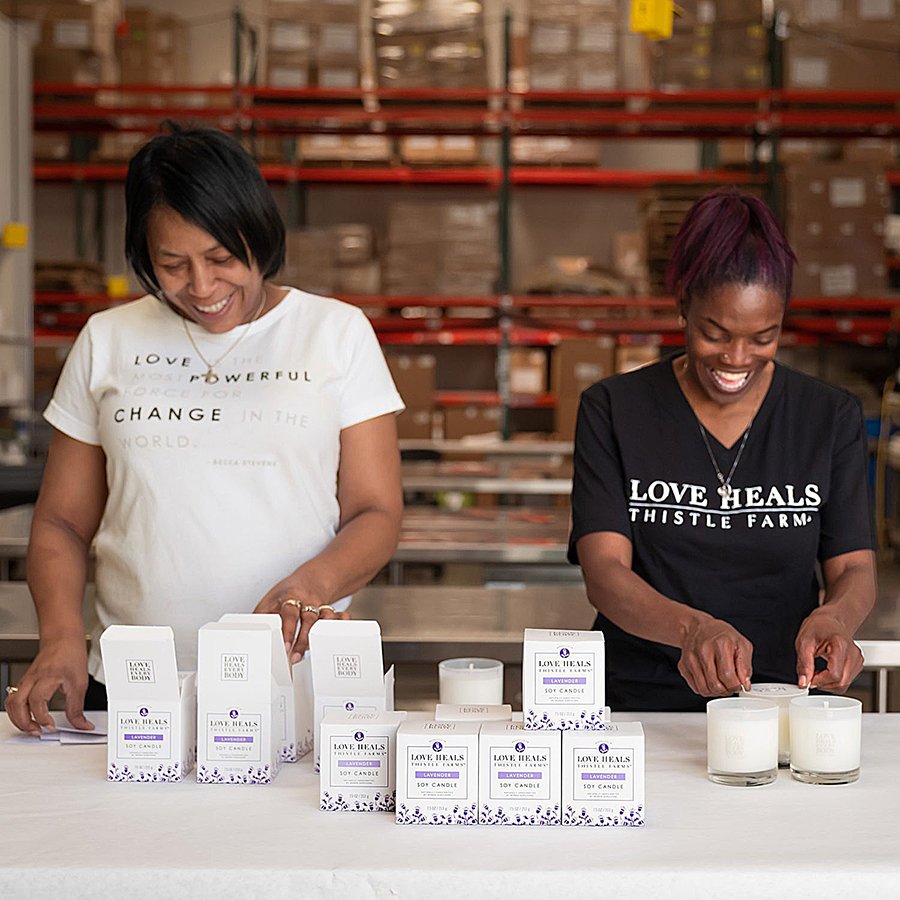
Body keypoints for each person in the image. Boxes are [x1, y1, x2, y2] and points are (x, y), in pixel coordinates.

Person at [6, 125, 404, 735]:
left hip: (291, 677)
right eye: (172, 265)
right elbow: (61, 521)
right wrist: (60, 637)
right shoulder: (108, 340)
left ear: (258, 233)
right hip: (138, 682)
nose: (202, 287)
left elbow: (376, 511)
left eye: (221, 258)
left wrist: (310, 584)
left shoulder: (336, 333)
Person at [569, 188, 877, 712]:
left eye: (763, 337)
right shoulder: (614, 409)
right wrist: (691, 629)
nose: (737, 358)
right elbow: (604, 574)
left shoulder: (827, 417)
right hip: (642, 703)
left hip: (781, 699)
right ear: (683, 306)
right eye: (715, 333)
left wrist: (836, 619)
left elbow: (853, 569)